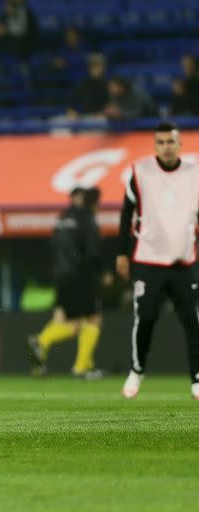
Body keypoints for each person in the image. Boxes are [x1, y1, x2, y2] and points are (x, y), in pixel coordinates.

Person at [117, 122, 199, 400]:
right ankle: (136, 371)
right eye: (161, 142)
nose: (166, 147)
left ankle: (197, 379)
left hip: (183, 260)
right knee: (146, 317)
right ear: (155, 145)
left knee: (192, 319)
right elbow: (126, 213)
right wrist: (121, 252)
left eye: (171, 141)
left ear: (180, 145)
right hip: (148, 258)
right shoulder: (141, 172)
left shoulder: (195, 172)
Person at [27, 187, 104, 379]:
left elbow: (52, 246)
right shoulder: (86, 218)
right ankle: (81, 367)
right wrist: (101, 271)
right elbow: (93, 250)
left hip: (60, 275)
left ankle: (41, 342)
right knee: (92, 319)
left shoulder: (61, 219)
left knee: (68, 320)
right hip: (80, 275)